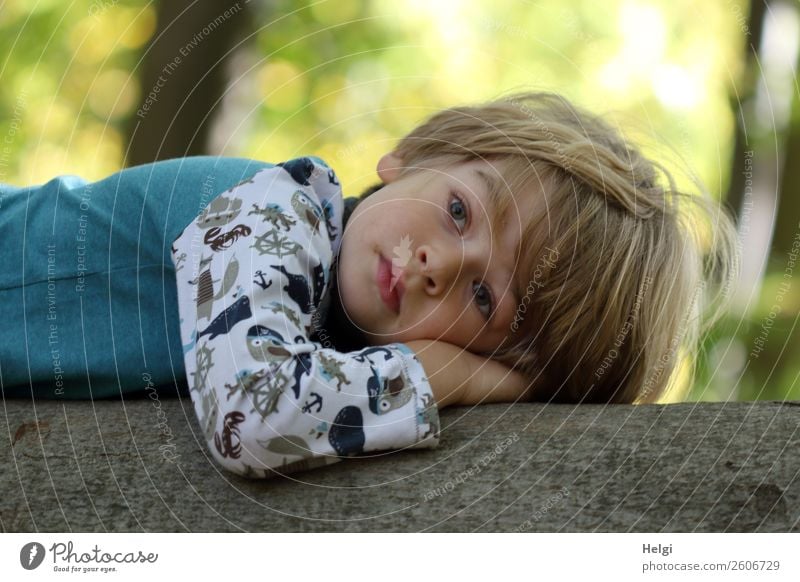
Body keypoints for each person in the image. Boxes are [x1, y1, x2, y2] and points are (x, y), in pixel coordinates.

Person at [0, 91, 738, 479]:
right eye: (457, 211)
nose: (437, 264)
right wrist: (438, 370)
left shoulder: (324, 338)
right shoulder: (277, 209)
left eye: (483, 298)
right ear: (413, 155)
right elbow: (256, 417)